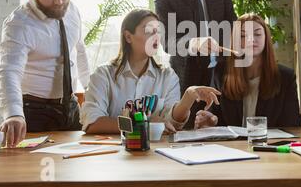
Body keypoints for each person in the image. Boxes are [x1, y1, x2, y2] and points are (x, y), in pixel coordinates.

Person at [0, 0, 90, 147]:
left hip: (70, 108)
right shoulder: (19, 24)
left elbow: (79, 50)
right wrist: (13, 114)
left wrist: (91, 92)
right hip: (35, 112)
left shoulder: (72, 11)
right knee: (34, 171)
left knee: (73, 168)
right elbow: (8, 71)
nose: (59, 1)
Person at [80, 9, 221, 134]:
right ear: (128, 37)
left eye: (158, 31)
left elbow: (172, 123)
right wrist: (142, 125)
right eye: (148, 31)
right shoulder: (103, 75)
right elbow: (93, 122)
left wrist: (188, 98)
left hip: (156, 155)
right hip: (115, 156)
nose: (156, 36)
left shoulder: (168, 76)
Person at [155, 0, 237, 128]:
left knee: (224, 129)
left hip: (223, 75)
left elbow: (232, 25)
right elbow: (167, 41)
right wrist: (194, 43)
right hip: (186, 79)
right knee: (188, 133)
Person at [194, 13, 301, 129]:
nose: (251, 39)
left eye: (257, 34)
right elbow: (215, 117)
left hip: (269, 145)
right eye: (242, 36)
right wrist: (209, 121)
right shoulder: (220, 73)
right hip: (230, 146)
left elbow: (292, 124)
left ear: (266, 38)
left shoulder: (286, 77)